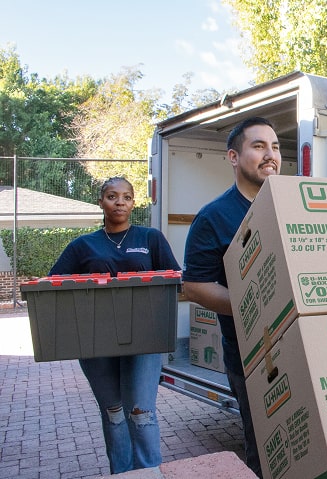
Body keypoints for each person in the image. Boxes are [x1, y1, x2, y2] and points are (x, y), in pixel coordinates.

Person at [182, 116, 327, 476]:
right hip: (256, 358)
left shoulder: (297, 199)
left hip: (316, 348)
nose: (270, 154)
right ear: (233, 157)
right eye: (258, 146)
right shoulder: (213, 217)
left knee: (323, 441)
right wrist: (260, 309)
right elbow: (194, 286)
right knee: (269, 451)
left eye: (274, 146)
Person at [49, 176, 181, 474]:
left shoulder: (150, 239)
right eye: (112, 196)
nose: (119, 202)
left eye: (126, 197)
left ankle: (148, 474)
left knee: (141, 412)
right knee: (114, 413)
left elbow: (175, 279)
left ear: (134, 203)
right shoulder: (82, 245)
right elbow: (53, 285)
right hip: (95, 343)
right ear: (101, 202)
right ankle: (121, 474)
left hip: (144, 340)